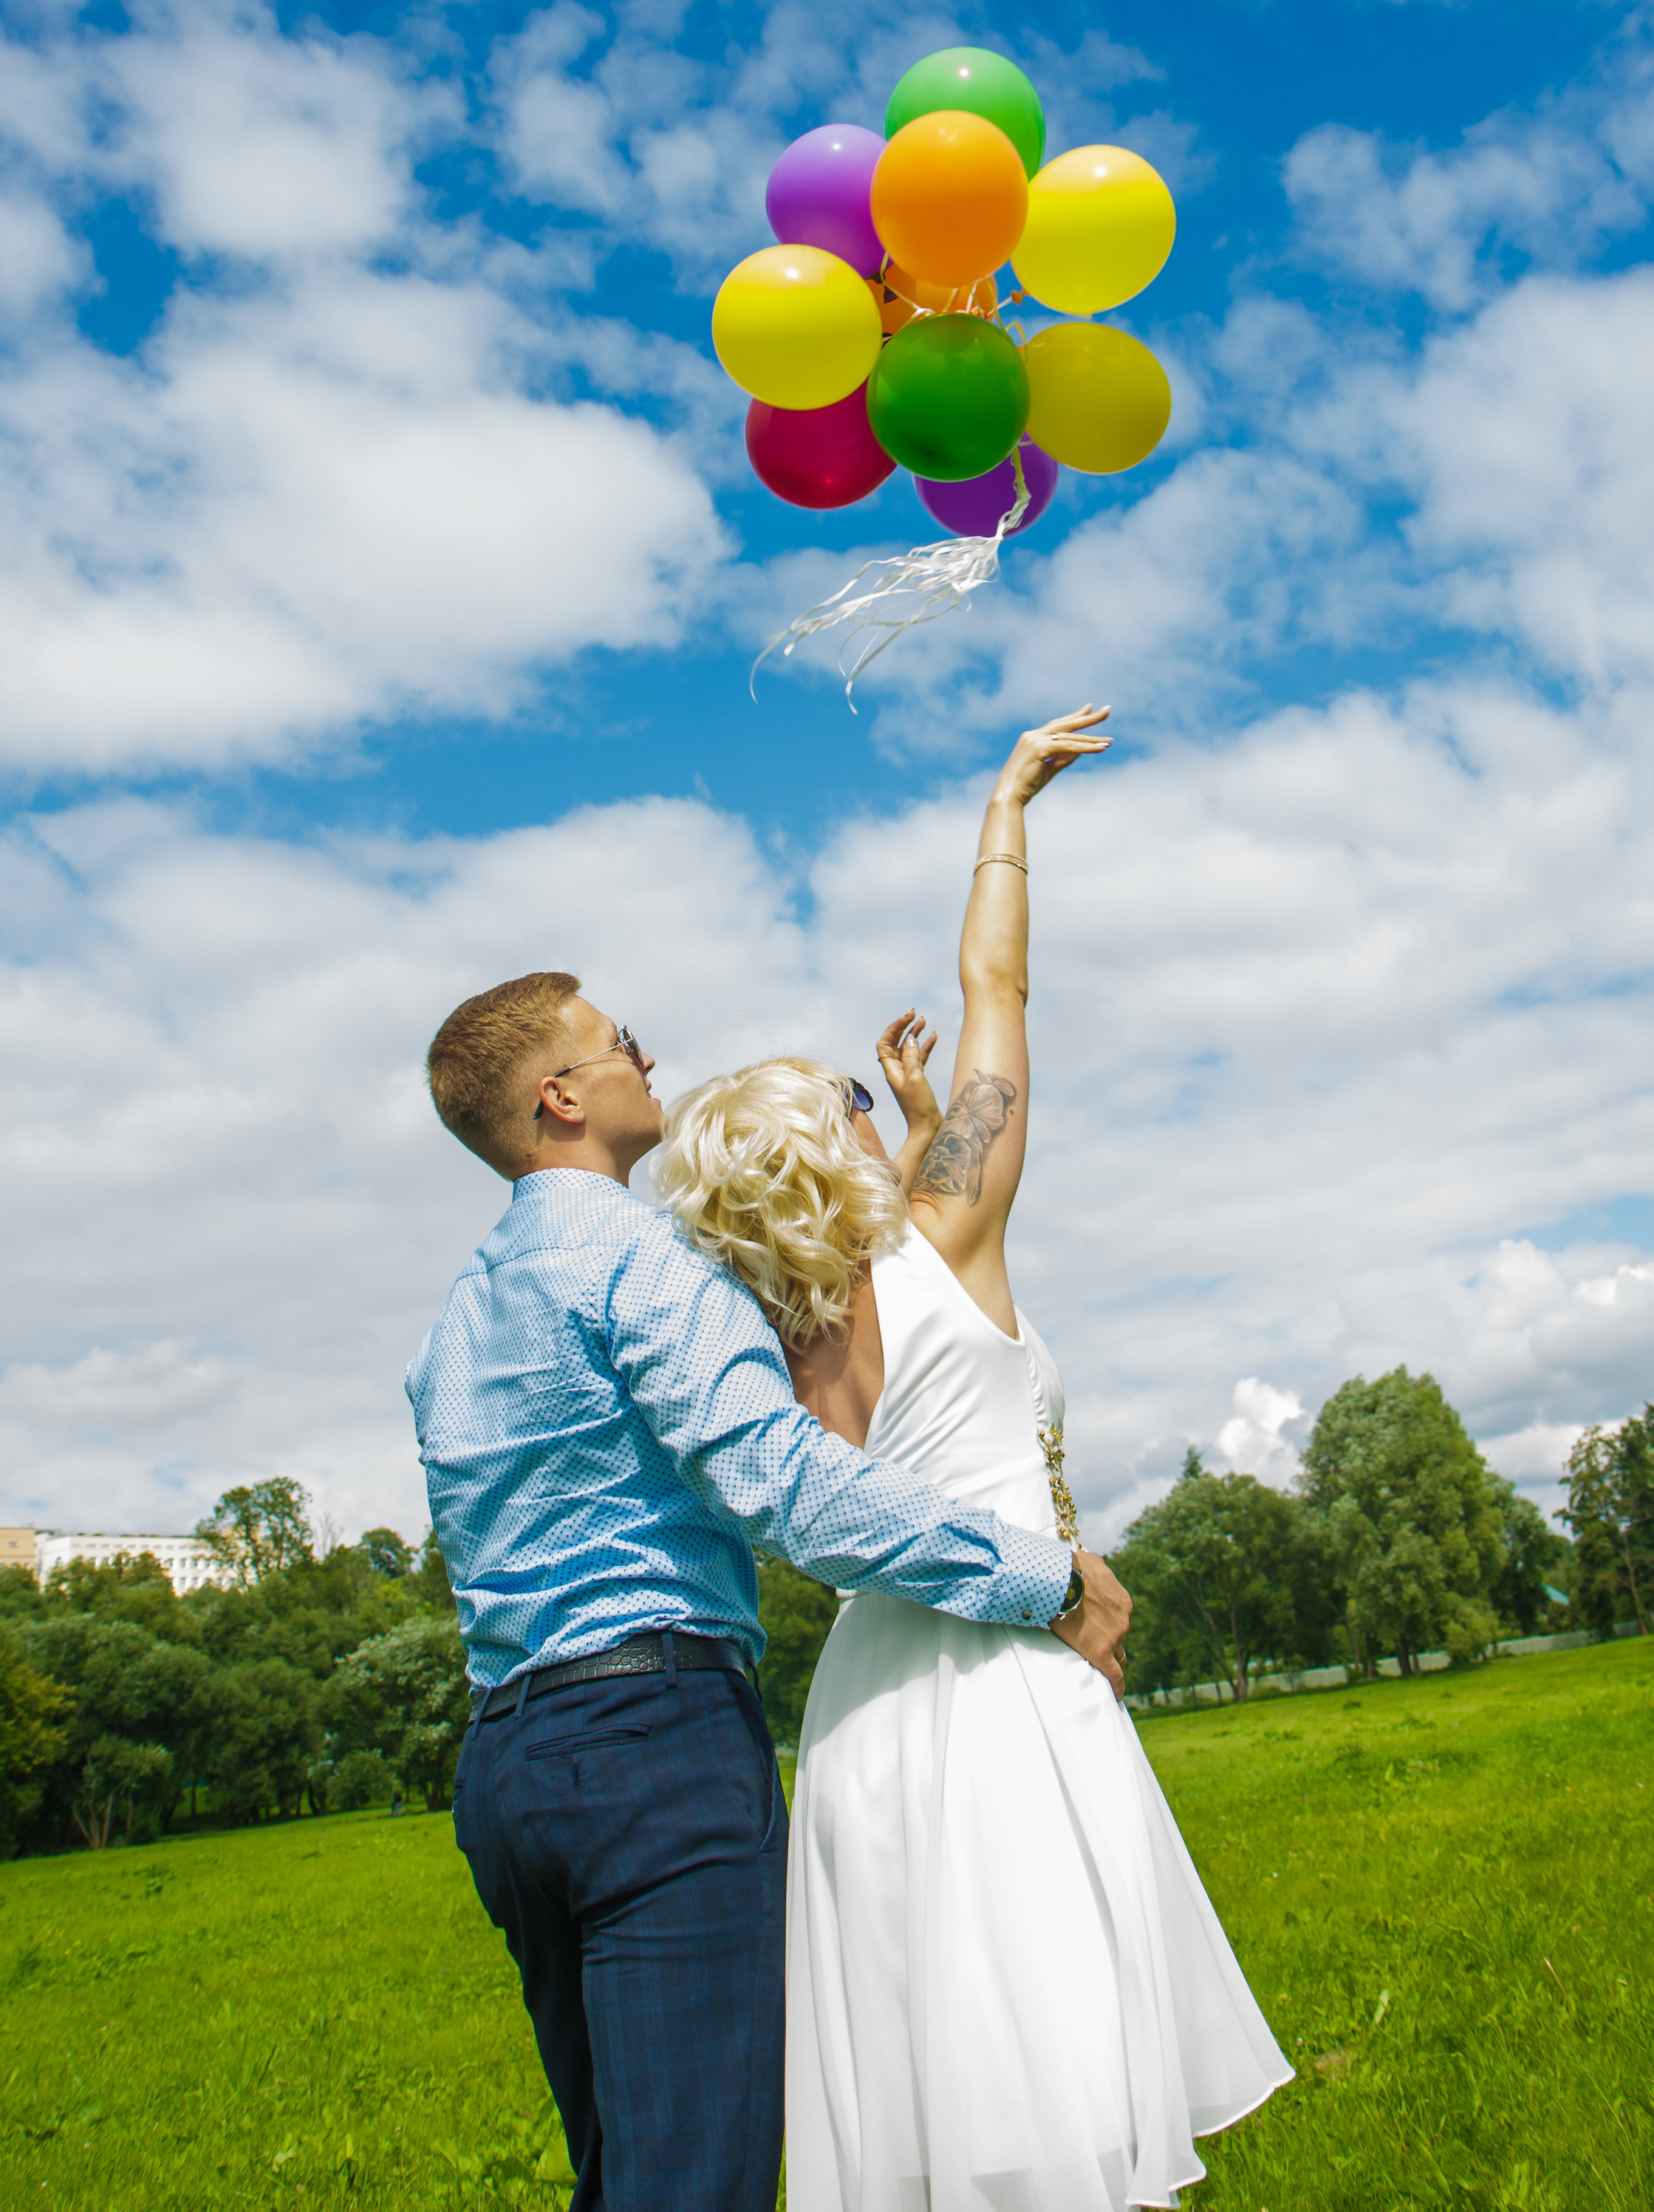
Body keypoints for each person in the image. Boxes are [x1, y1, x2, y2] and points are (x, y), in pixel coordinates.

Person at [657, 706, 1294, 2212]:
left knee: (942, 2112)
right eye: (852, 1104)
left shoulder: (767, 1346)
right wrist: (1006, 807)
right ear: (834, 1150)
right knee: (1062, 2088)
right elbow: (995, 986)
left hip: (864, 1721)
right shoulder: (945, 1232)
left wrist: (919, 1116)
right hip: (1008, 1676)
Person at [409, 963, 1131, 2212]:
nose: (648, 1057)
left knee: (619, 2174)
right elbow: (786, 1486)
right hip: (653, 1745)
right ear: (563, 1097)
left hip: (506, 1768)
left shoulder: (457, 1323)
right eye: (621, 1041)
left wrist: (908, 1131)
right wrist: (1043, 1575)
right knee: (698, 2181)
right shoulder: (643, 1262)